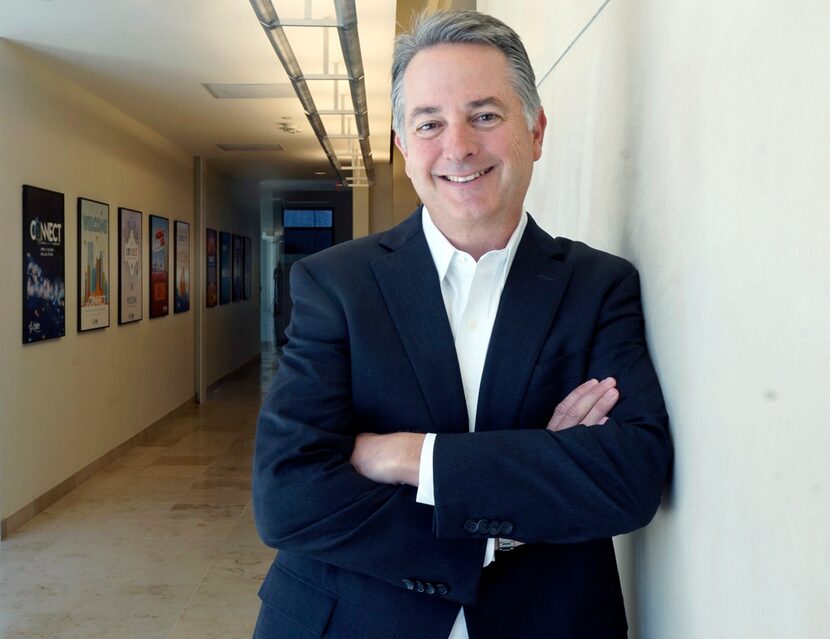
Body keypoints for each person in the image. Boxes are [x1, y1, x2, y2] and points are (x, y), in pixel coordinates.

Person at [252, 9, 671, 639]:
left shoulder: (597, 286)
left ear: (535, 131)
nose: (459, 147)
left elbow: (629, 479)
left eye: (485, 115)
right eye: (430, 123)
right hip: (352, 620)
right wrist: (512, 510)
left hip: (547, 619)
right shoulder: (335, 284)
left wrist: (410, 457)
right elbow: (287, 495)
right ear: (403, 147)